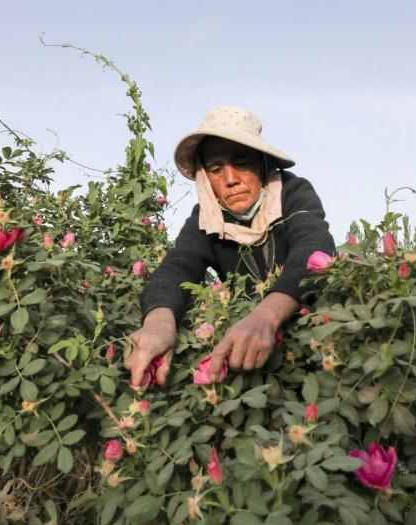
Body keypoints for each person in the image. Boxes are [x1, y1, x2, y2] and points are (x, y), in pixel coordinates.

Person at [124, 105, 335, 387]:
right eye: (216, 169)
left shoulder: (292, 193)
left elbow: (314, 247)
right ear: (205, 177)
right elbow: (176, 268)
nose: (231, 180)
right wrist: (158, 324)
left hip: (317, 338)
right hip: (253, 362)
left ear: (262, 163)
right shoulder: (207, 218)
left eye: (242, 163)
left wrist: (266, 316)